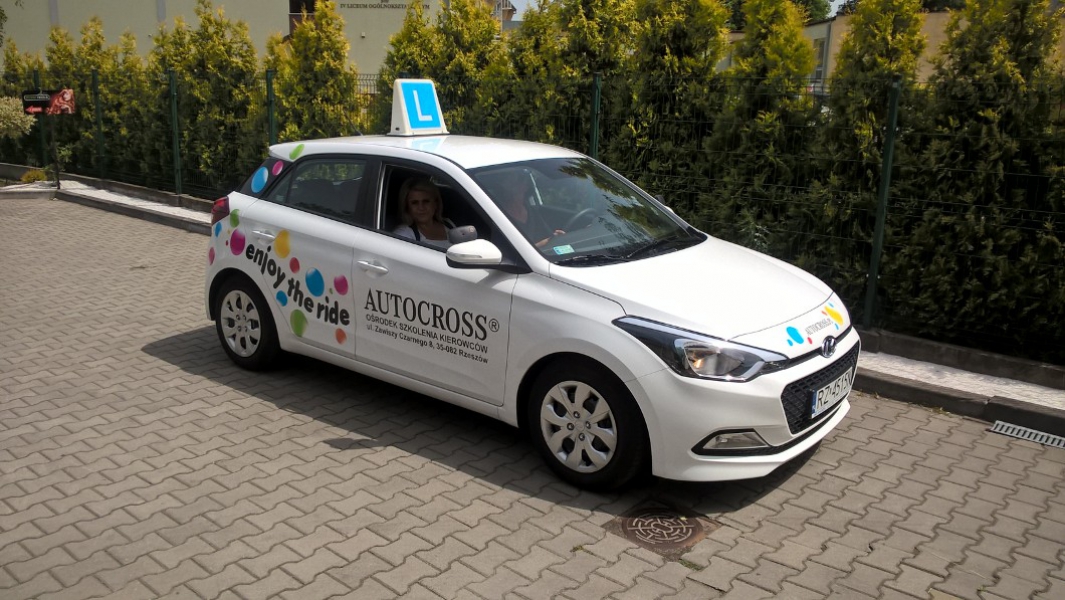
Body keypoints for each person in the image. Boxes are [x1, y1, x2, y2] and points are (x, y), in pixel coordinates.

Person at [496, 170, 564, 249]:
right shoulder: (498, 217)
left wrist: (556, 236)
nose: (522, 184)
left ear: (526, 186)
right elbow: (511, 251)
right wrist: (542, 244)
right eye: (510, 181)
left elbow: (548, 237)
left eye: (521, 180)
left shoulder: (532, 211)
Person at [393, 177, 452, 249]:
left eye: (426, 201)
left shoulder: (448, 224)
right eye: (414, 203)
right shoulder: (404, 234)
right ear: (407, 207)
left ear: (436, 203)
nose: (421, 208)